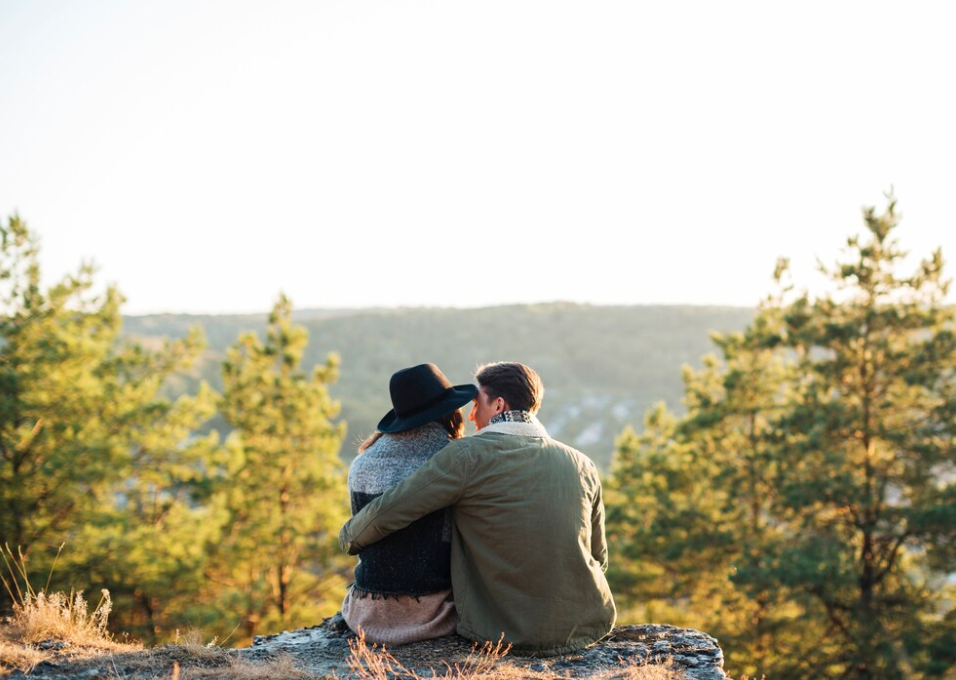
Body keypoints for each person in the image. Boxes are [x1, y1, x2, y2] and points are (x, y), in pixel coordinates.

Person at [339, 362, 616, 656]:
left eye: (475, 404)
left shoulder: (466, 456)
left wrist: (348, 537)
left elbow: (388, 512)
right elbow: (598, 556)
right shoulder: (582, 463)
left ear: (498, 405)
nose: (470, 415)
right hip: (589, 623)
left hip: (503, 631)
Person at [339, 363, 477, 644]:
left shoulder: (361, 462)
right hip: (431, 613)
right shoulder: (452, 458)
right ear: (451, 410)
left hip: (364, 611)